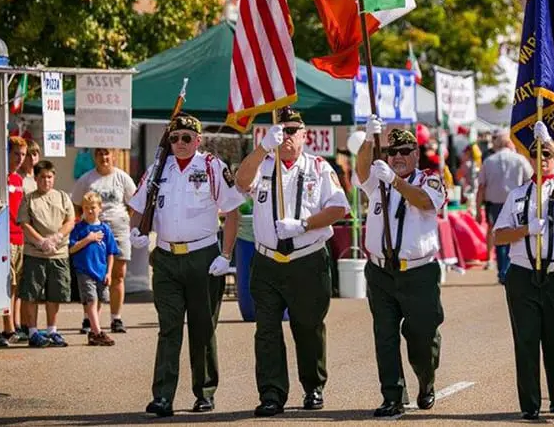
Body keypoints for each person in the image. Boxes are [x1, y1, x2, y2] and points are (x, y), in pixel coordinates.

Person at [231, 106, 349, 417]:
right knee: (267, 330)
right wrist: (261, 148)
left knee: (307, 327)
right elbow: (242, 183)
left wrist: (305, 224)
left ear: (305, 135)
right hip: (267, 262)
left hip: (306, 261)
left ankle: (313, 386)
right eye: (282, 129)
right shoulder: (264, 165)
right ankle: (271, 393)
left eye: (293, 129)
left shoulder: (319, 167)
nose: (287, 135)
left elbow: (339, 208)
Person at [129, 112, 244, 418]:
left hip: (202, 257)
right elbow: (139, 205)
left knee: (202, 328)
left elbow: (233, 212)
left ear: (198, 140)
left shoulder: (211, 167)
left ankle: (204, 392)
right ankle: (163, 396)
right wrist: (135, 231)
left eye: (186, 139)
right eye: (175, 138)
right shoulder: (157, 169)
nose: (180, 144)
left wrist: (226, 255)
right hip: (166, 258)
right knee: (168, 329)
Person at [493, 121, 554, 420]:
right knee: (527, 339)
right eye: (537, 155)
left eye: (546, 155)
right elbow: (498, 236)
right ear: (529, 159)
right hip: (523, 274)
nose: (542, 160)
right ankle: (530, 404)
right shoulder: (517, 194)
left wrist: (551, 145)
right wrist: (525, 229)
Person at [355, 118, 446, 418]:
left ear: (416, 154)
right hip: (380, 271)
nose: (397, 157)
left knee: (422, 338)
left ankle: (426, 380)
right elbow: (360, 170)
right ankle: (392, 395)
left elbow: (425, 202)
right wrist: (369, 140)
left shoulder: (429, 179)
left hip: (418, 272)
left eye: (404, 151)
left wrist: (396, 182)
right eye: (392, 152)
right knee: (385, 335)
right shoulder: (378, 178)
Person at [71, 147, 138, 334]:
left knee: (118, 275)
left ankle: (116, 318)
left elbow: (134, 204)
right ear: (95, 157)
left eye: (107, 153)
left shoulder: (122, 177)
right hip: (93, 231)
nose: (104, 157)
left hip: (118, 231)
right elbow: (76, 204)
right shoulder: (86, 179)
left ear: (114, 156)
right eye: (100, 154)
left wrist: (124, 219)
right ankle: (89, 320)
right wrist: (88, 223)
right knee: (92, 274)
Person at [17, 160, 76, 348]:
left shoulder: (63, 197)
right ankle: (33, 332)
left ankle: (52, 330)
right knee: (31, 293)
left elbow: (70, 221)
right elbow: (25, 224)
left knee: (55, 294)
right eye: (42, 177)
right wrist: (41, 241)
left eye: (49, 177)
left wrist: (57, 237)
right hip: (35, 252)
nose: (46, 181)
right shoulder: (29, 198)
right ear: (36, 178)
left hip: (58, 253)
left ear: (54, 178)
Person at [0, 136, 29, 348]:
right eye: (16, 154)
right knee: (3, 283)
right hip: (3, 238)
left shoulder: (19, 180)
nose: (20, 159)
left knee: (15, 287)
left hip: (18, 237)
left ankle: (11, 326)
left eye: (23, 155)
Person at [476, 130, 534, 283]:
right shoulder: (520, 160)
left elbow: (481, 186)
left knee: (500, 236)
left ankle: (503, 271)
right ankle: (511, 269)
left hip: (495, 204)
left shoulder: (489, 161)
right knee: (514, 236)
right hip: (517, 203)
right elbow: (530, 180)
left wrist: (477, 209)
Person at [68, 191, 118, 346]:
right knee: (91, 300)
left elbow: (111, 252)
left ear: (100, 208)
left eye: (93, 207)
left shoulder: (105, 229)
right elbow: (72, 248)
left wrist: (109, 272)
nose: (90, 211)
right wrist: (88, 239)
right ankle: (97, 332)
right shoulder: (79, 228)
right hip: (84, 271)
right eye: (86, 208)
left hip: (101, 271)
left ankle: (93, 333)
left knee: (99, 300)